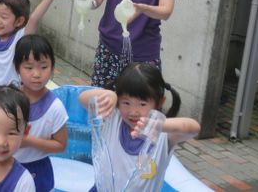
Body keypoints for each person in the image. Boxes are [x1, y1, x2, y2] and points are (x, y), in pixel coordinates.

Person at [79, 62, 200, 191]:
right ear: (118, 99)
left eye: (142, 104)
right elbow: (82, 98)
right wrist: (109, 95)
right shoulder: (113, 118)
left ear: (160, 102)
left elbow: (194, 128)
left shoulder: (163, 135)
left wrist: (161, 125)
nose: (133, 112)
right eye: (126, 103)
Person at [12, 34, 68, 191]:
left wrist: (29, 141)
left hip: (38, 169)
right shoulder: (8, 99)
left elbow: (61, 145)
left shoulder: (55, 107)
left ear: (52, 67)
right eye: (29, 68)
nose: (36, 74)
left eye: (43, 67)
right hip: (7, 164)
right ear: (17, 67)